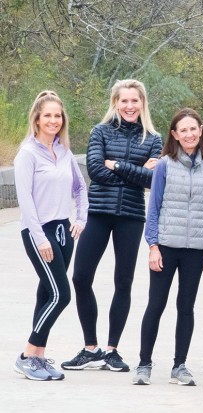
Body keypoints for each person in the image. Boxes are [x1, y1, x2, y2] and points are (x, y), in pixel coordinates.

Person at [62, 79, 162, 373]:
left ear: (142, 103)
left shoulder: (153, 139)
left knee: (124, 282)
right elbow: (95, 170)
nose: (130, 106)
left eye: (135, 101)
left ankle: (112, 350)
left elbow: (151, 181)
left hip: (131, 216)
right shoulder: (100, 131)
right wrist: (137, 171)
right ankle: (90, 347)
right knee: (80, 277)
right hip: (99, 212)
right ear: (115, 103)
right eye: (124, 101)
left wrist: (116, 165)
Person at [132, 108, 203, 386]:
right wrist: (153, 245)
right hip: (166, 246)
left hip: (195, 249)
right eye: (183, 130)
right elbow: (154, 207)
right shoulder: (164, 166)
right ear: (174, 134)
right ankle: (144, 363)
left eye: (193, 128)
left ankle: (179, 365)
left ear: (201, 130)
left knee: (186, 306)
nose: (189, 134)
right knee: (156, 304)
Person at [13, 91, 88, 381]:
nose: (53, 120)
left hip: (63, 230)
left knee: (46, 292)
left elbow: (80, 188)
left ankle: (39, 358)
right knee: (61, 295)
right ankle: (27, 355)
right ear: (37, 119)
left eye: (58, 116)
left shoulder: (64, 150)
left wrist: (80, 218)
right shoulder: (27, 154)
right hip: (39, 232)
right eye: (48, 115)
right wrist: (40, 239)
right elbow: (25, 200)